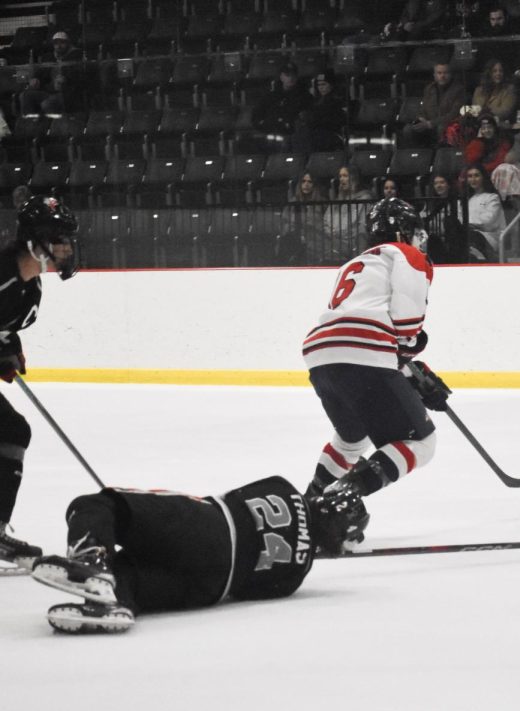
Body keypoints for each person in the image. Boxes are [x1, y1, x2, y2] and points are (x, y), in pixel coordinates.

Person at [26, 475, 365, 633]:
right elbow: (249, 591)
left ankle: (90, 561)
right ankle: (112, 601)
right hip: (210, 586)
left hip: (207, 526)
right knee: (131, 575)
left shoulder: (282, 487)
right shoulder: (295, 577)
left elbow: (234, 496)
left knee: (99, 505)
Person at [301, 197, 449, 548]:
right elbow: (406, 325)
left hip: (319, 351)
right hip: (362, 347)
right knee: (421, 442)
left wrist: (410, 372)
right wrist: (411, 360)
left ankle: (307, 508)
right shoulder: (407, 254)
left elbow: (376, 328)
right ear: (403, 231)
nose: (419, 239)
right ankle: (340, 503)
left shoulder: (355, 262)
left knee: (351, 439)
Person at [0, 196, 79, 572]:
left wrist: (7, 347)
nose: (65, 246)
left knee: (13, 430)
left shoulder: (30, 290)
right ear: (33, 239)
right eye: (58, 237)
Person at [400, 62, 467, 148]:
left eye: (445, 73)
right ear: (434, 75)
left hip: (445, 124)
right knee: (408, 129)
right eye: (439, 73)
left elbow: (454, 114)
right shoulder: (429, 88)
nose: (442, 76)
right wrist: (421, 118)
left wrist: (430, 123)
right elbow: (423, 109)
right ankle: (418, 157)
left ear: (451, 74)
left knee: (441, 128)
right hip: (429, 124)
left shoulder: (459, 90)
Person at [251, 63, 314, 152]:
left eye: (293, 75)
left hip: (294, 137)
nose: (291, 78)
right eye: (287, 75)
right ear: (281, 77)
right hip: (271, 134)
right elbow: (257, 115)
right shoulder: (270, 97)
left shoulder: (305, 97)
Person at [324, 165, 375, 261]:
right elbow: (326, 221)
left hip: (354, 244)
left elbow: (362, 227)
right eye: (340, 176)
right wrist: (332, 233)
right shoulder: (337, 201)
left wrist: (342, 234)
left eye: (345, 176)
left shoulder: (364, 199)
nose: (342, 179)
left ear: (353, 178)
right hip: (335, 243)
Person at [277, 172, 327, 265]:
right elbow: (284, 223)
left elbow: (326, 224)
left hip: (316, 243)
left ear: (314, 185)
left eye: (309, 182)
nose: (306, 184)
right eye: (303, 181)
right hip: (294, 243)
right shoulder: (292, 202)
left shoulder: (322, 203)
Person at [292, 73, 348, 155]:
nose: (321, 87)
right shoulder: (315, 101)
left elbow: (336, 120)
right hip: (315, 132)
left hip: (329, 133)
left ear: (331, 85)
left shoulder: (337, 101)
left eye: (324, 84)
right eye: (319, 85)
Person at [459, 164, 504, 261]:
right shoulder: (466, 200)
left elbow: (488, 221)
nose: (473, 179)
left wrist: (467, 224)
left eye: (476, 175)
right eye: (470, 176)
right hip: (468, 235)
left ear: (483, 177)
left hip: (488, 237)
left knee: (471, 235)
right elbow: (459, 218)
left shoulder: (492, 197)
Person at [471, 60, 518, 128]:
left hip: (499, 127)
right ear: (489, 73)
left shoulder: (509, 89)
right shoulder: (478, 90)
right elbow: (474, 111)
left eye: (500, 71)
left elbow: (505, 111)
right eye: (494, 71)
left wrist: (485, 111)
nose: (498, 73)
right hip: (480, 126)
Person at [462, 112, 512, 178]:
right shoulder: (476, 142)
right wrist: (479, 141)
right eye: (483, 128)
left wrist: (482, 168)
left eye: (489, 127)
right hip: (480, 175)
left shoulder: (502, 140)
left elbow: (501, 162)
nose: (487, 130)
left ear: (495, 128)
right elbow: (470, 160)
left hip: (497, 174)